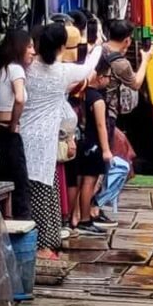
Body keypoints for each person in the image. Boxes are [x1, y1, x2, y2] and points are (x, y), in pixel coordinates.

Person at [20, 23, 102, 256]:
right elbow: (88, 67)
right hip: (45, 140)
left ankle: (40, 244)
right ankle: (43, 245)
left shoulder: (27, 69)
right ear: (61, 47)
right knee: (44, 190)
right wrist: (96, 46)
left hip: (23, 135)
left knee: (31, 188)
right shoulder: (62, 72)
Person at [0, 30, 35, 218]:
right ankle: (23, 228)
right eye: (30, 46)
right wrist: (15, 123)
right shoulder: (16, 69)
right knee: (20, 184)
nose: (33, 51)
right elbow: (20, 99)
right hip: (10, 132)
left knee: (0, 181)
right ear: (19, 47)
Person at [70, 58, 113, 236]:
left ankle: (76, 217)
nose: (109, 81)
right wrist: (106, 150)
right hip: (94, 145)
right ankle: (85, 219)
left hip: (82, 143)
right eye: (109, 77)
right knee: (90, 181)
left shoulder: (83, 94)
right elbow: (101, 126)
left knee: (80, 181)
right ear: (100, 77)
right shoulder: (98, 100)